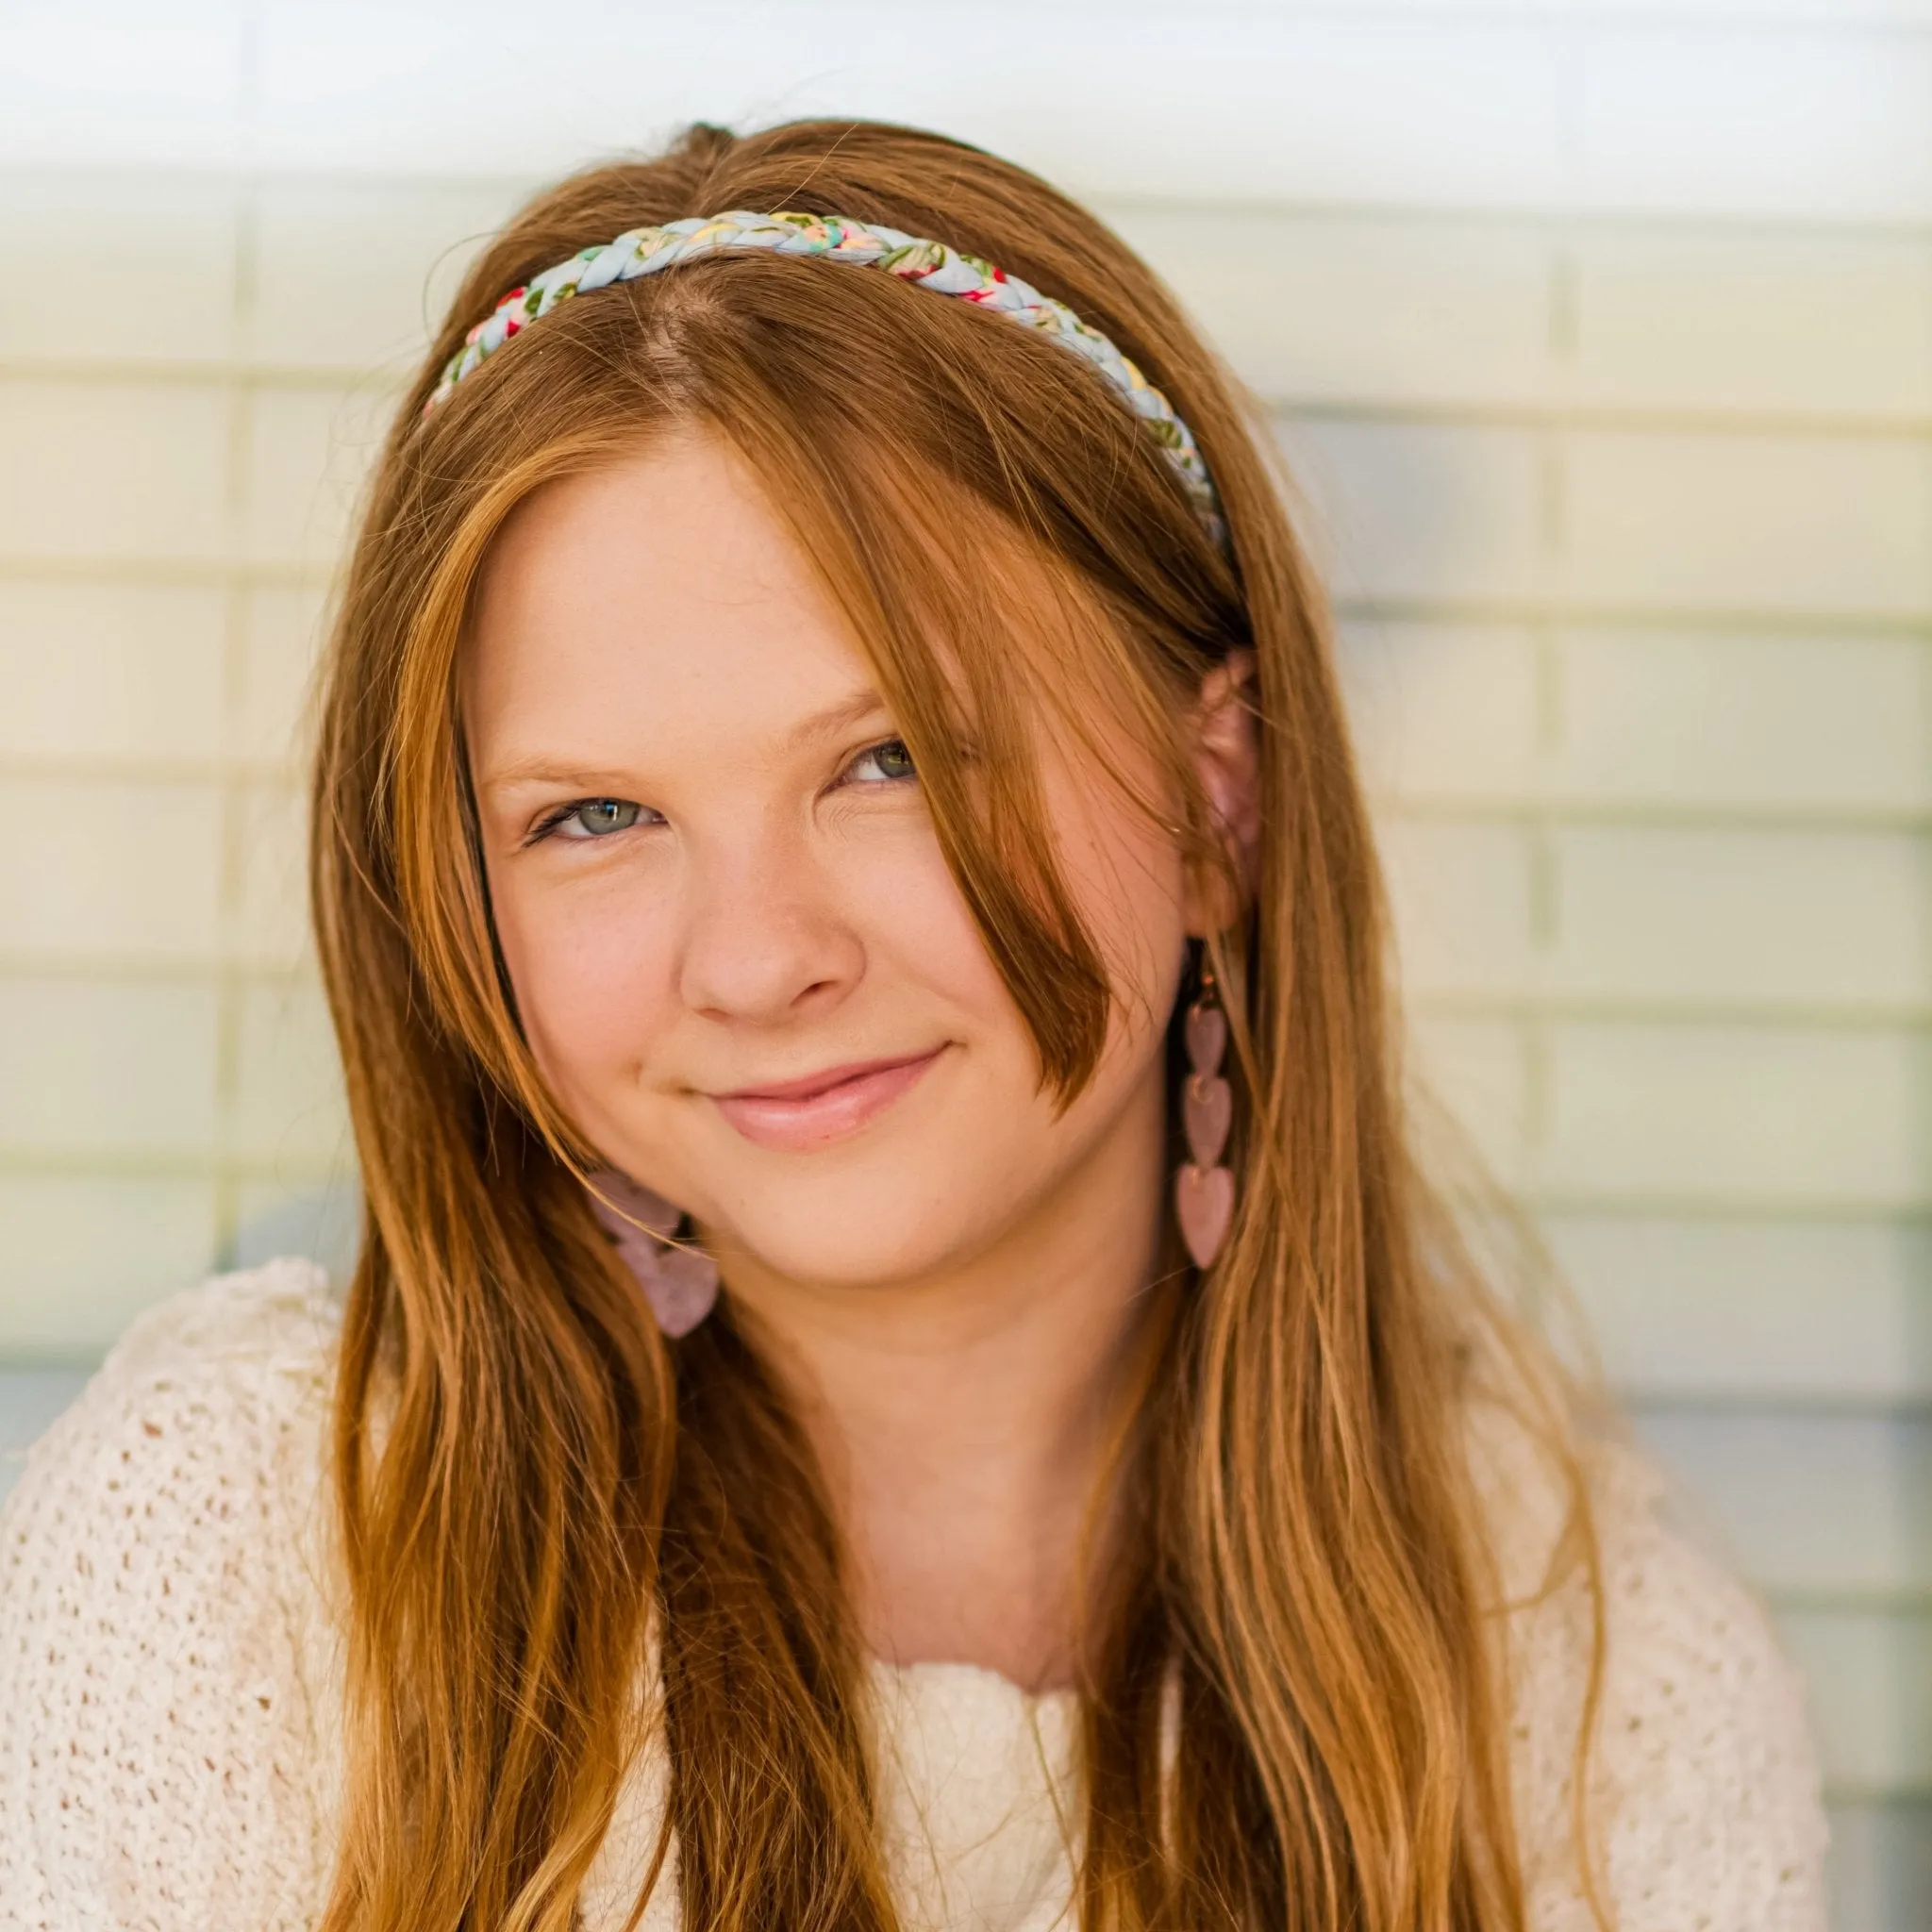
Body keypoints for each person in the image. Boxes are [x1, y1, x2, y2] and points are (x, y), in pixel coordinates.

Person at [0, 119, 1824, 1932]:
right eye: (593, 816)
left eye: (890, 763)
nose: (755, 959)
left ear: (1220, 803)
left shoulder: (1592, 1694)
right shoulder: (238, 1560)